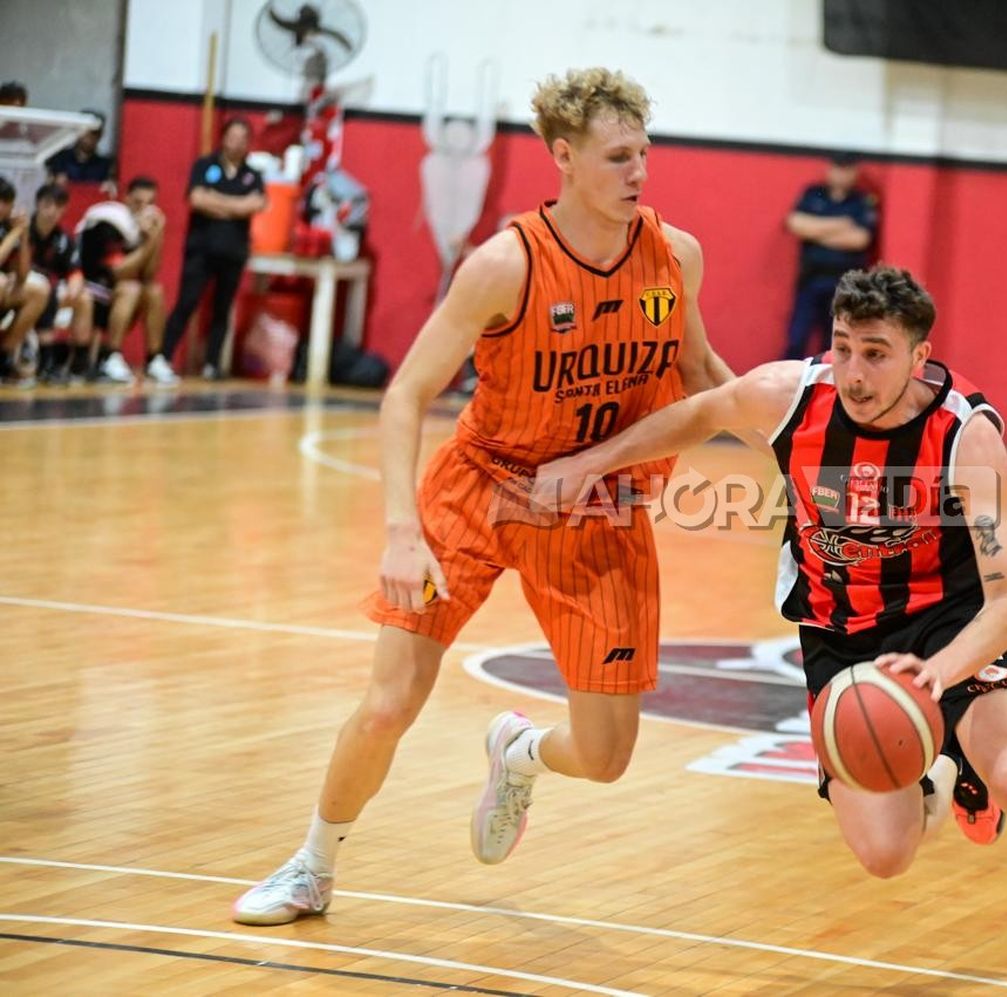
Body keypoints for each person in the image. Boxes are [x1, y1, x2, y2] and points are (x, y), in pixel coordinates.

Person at [533, 266, 1007, 995]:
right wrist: (592, 461)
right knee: (885, 854)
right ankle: (949, 774)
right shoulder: (790, 396)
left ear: (919, 355)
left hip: (949, 623)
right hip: (840, 636)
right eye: (843, 347)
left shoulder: (965, 435)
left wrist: (938, 673)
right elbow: (701, 411)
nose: (854, 370)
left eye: (876, 352)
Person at [230, 67, 736, 927]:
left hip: (596, 505)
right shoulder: (503, 265)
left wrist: (805, 451)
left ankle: (520, 751)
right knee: (390, 700)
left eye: (644, 153)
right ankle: (313, 865)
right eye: (618, 156)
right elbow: (404, 395)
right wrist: (401, 533)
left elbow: (705, 380)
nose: (638, 172)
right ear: (564, 157)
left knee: (609, 757)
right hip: (482, 484)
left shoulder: (673, 254)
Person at [159, 117, 266, 380]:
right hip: (201, 250)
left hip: (233, 252)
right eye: (232, 136)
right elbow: (197, 199)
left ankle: (212, 364)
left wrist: (217, 201)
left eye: (242, 138)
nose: (236, 142)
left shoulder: (252, 175)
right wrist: (235, 206)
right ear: (223, 137)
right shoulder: (205, 165)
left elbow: (255, 204)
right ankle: (162, 357)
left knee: (222, 309)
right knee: (187, 302)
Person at [75, 177, 172, 384]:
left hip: (117, 293)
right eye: (138, 202)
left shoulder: (143, 226)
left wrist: (157, 236)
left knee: (154, 291)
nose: (144, 209)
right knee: (131, 288)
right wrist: (151, 241)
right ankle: (110, 357)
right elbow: (117, 272)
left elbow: (148, 273)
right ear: (126, 198)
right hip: (91, 287)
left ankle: (154, 359)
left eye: (149, 204)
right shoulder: (109, 221)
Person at [781, 152, 877, 360]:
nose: (841, 175)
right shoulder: (814, 193)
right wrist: (841, 224)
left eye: (847, 169)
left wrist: (816, 232)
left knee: (835, 340)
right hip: (811, 278)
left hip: (843, 283)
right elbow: (795, 223)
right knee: (797, 337)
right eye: (837, 168)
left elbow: (859, 240)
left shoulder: (861, 200)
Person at [26, 184, 90, 384]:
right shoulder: (24, 231)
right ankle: (46, 360)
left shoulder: (64, 239)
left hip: (51, 294)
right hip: (26, 291)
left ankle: (80, 363)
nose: (52, 211)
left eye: (58, 206)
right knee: (45, 289)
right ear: (37, 205)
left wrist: (75, 285)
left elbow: (75, 271)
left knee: (84, 298)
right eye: (47, 205)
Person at [0, 177, 48, 384]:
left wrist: (24, 236)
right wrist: (15, 233)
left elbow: (23, 275)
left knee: (38, 291)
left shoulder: (6, 228)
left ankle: (4, 357)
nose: (6, 208)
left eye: (8, 203)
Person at [45, 110, 117, 193]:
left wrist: (109, 186)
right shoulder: (59, 158)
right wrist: (53, 182)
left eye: (94, 132)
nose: (89, 136)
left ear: (101, 134)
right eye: (86, 130)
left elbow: (111, 188)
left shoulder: (105, 165)